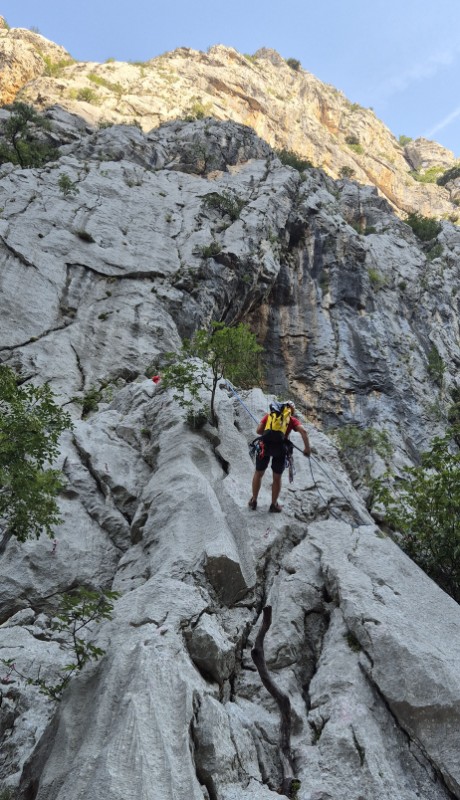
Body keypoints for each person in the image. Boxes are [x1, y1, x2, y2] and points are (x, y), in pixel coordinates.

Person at [248, 401, 311, 513]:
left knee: (258, 473)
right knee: (277, 478)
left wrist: (268, 432)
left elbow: (258, 431)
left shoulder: (271, 415)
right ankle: (273, 505)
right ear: (291, 411)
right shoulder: (291, 419)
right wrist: (307, 449)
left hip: (265, 447)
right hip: (281, 450)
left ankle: (254, 501)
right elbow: (304, 431)